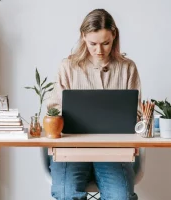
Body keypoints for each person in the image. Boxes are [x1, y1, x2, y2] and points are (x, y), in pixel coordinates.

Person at [46, 9, 141, 200]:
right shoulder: (68, 66)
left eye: (106, 43)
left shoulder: (127, 67)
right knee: (66, 195)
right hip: (71, 151)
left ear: (114, 36)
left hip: (113, 151)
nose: (99, 50)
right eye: (93, 44)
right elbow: (53, 108)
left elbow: (137, 113)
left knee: (120, 197)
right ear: (83, 36)